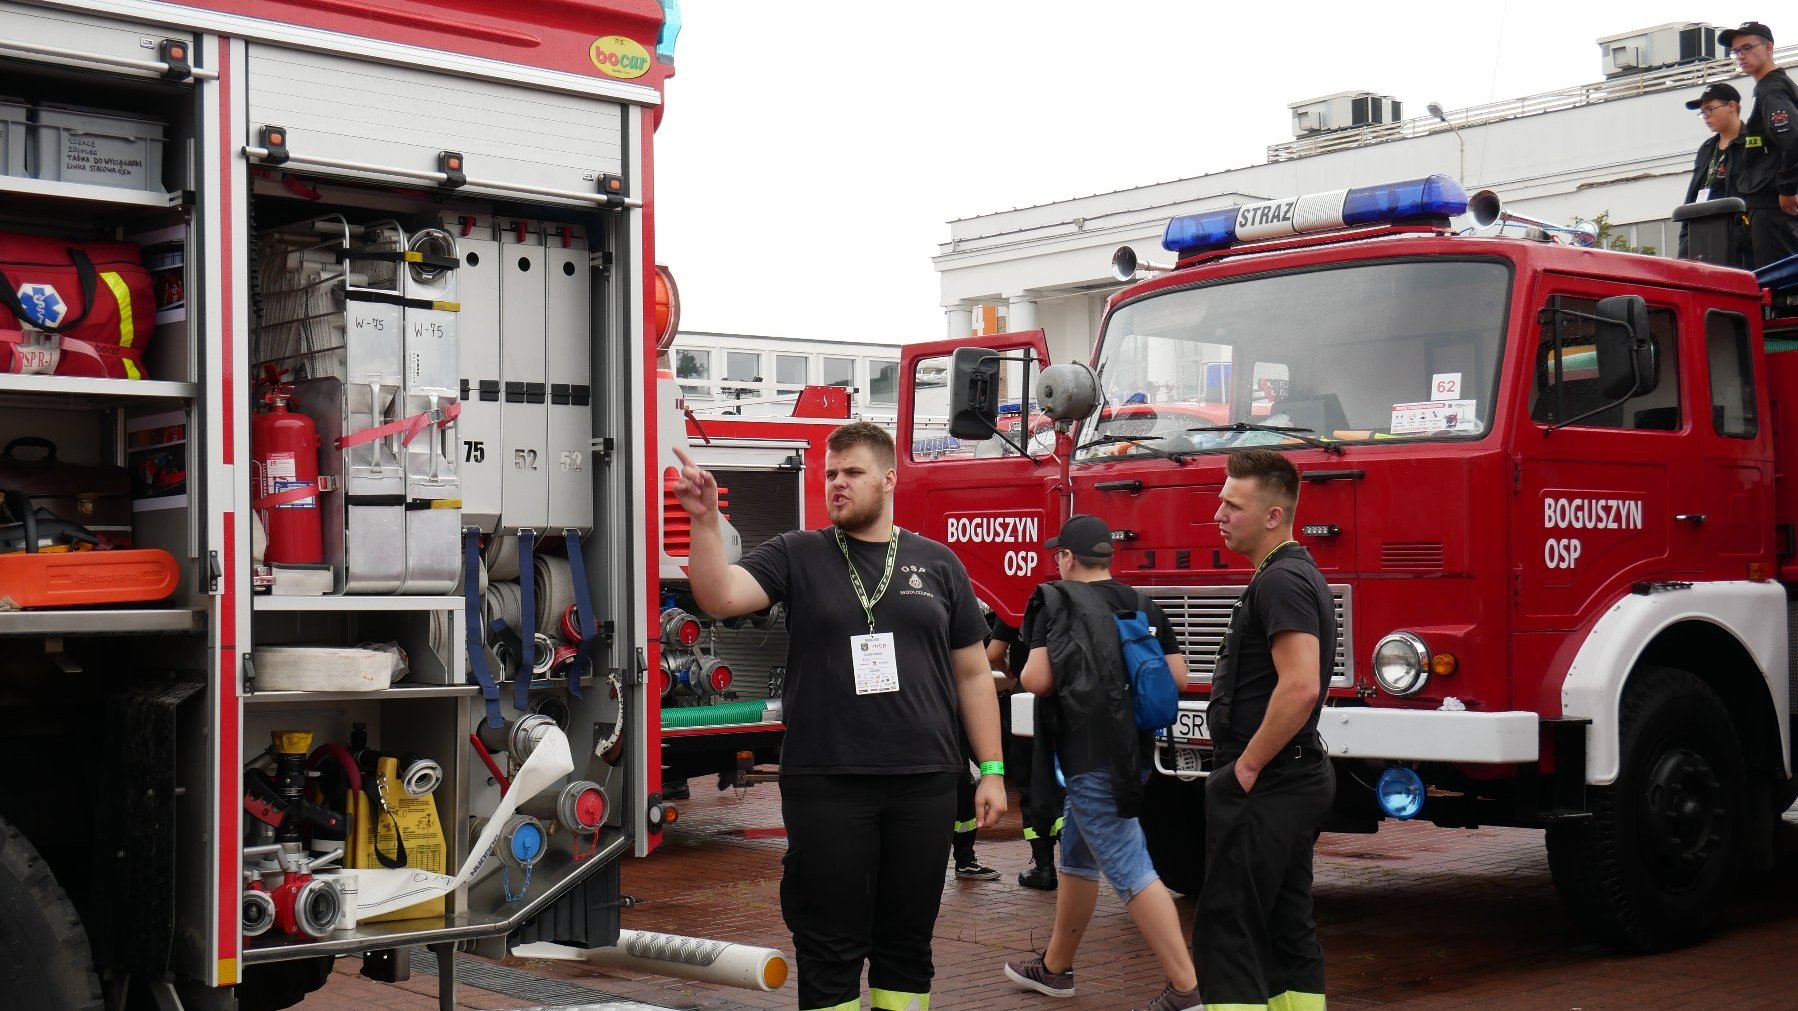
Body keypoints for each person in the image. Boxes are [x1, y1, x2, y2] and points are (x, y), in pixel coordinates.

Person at [671, 422, 1006, 1011]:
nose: (837, 484)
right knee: (829, 945)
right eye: (830, 474)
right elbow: (719, 596)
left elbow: (974, 675)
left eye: (852, 472)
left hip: (924, 781)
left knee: (906, 944)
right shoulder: (798, 553)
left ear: (888, 479)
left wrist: (994, 769)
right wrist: (703, 521)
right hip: (827, 782)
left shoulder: (938, 564)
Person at [1001, 514, 1200, 1011]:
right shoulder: (1140, 602)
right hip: (1133, 752)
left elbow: (1039, 680)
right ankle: (1055, 968)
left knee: (1131, 868)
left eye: (1058, 554)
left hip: (1087, 754)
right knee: (1078, 856)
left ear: (1067, 557)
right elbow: (1177, 674)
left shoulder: (1057, 601)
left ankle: (1186, 988)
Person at [1195, 449, 1338, 1011]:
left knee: (1230, 930)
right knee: (1286, 925)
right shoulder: (1291, 575)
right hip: (1294, 775)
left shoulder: (1281, 582)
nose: (1219, 513)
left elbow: (1300, 686)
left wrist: (1245, 768)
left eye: (1233, 504)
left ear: (1274, 516)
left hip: (1271, 779)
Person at [990, 615, 1061, 890]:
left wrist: (1009, 671)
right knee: (1065, 783)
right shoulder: (1081, 596)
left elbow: (993, 653)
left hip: (1026, 701)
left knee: (1032, 784)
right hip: (1071, 698)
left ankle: (1044, 867)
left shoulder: (1018, 599)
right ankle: (1078, 863)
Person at [1720, 21, 1798, 268]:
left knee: (1778, 290)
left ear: (1768, 48)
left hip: (1773, 207)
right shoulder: (1770, 88)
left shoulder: (1772, 90)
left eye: (1747, 47)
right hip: (1768, 206)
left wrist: (1786, 189)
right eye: (1736, 51)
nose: (1740, 56)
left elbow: (1793, 138)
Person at [1678, 82, 1747, 262]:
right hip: (1702, 242)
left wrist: (1742, 235)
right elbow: (1691, 199)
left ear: (1731, 106)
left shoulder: (1753, 143)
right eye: (1702, 112)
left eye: (1710, 109)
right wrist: (1685, 248)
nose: (1706, 116)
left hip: (1740, 245)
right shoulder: (1707, 148)